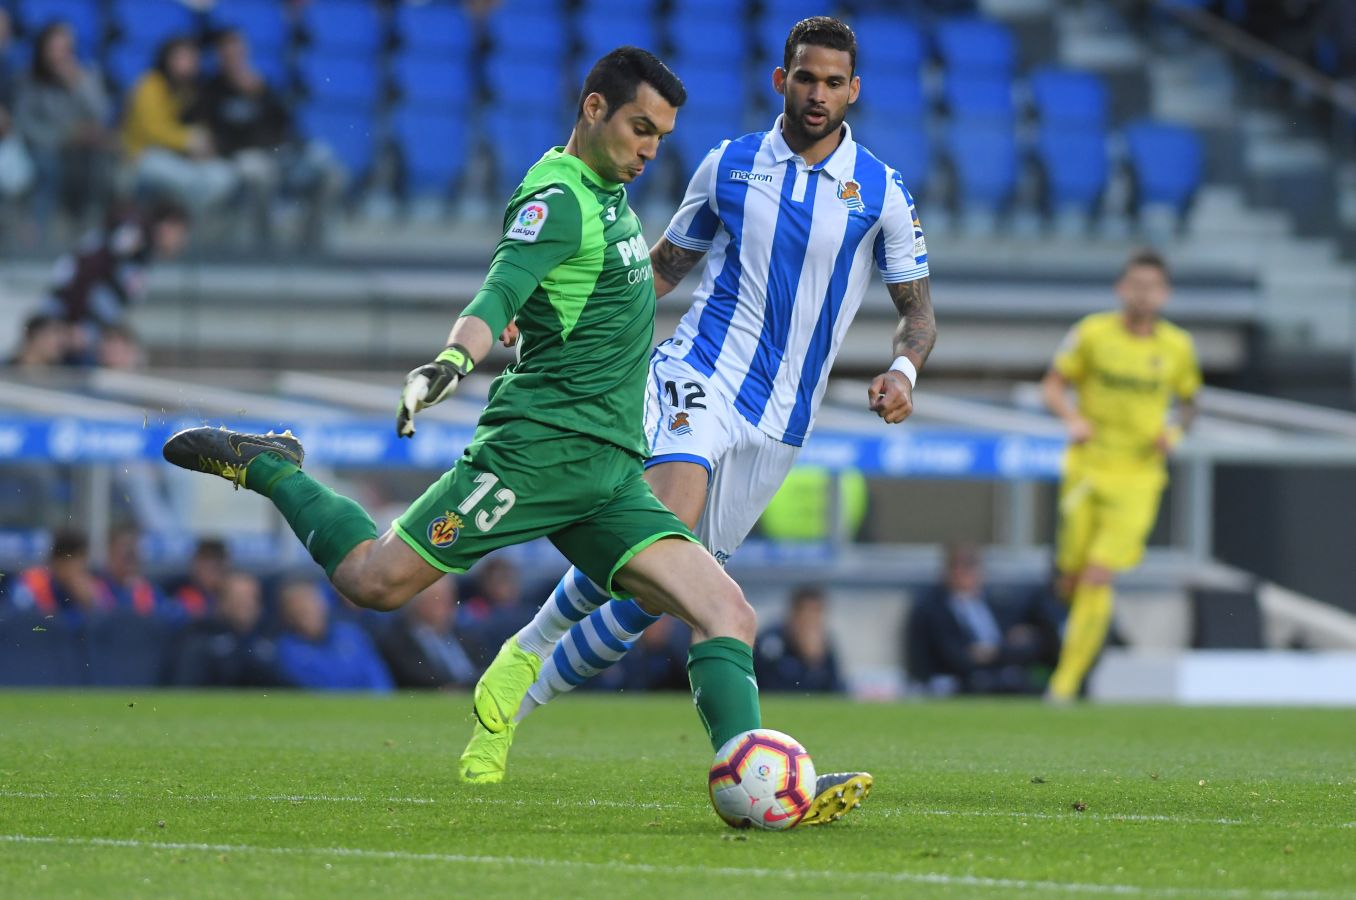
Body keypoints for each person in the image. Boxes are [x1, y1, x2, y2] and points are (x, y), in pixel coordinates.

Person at [161, 47, 788, 819]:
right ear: (594, 109)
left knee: (729, 615)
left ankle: (755, 786)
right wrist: (453, 359)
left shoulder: (610, 195)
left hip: (611, 476)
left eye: (660, 135)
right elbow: (499, 291)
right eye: (639, 128)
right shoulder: (555, 199)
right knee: (372, 582)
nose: (650, 150)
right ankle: (273, 467)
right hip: (534, 456)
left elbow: (564, 300)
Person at [469, 16, 932, 820]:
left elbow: (917, 312)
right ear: (780, 80)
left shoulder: (882, 192)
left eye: (833, 82)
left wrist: (903, 366)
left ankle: (523, 677)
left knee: (657, 591)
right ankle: (752, 769)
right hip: (697, 378)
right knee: (668, 521)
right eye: (804, 77)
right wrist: (551, 318)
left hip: (781, 422)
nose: (817, 93)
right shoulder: (729, 166)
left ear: (852, 90)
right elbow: (656, 273)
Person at [1041, 249, 1201, 702]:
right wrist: (1071, 417)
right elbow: (1053, 384)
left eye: (1152, 286)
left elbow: (1190, 403)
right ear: (1121, 289)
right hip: (1088, 467)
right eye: (1136, 285)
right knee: (1070, 578)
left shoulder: (1178, 347)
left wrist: (1174, 431)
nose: (1143, 294)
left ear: (1164, 294)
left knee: (1097, 574)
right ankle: (1076, 649)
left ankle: (1064, 683)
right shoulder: (1092, 334)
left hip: (1138, 477)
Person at [202, 28, 344, 251]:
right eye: (228, 53)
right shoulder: (210, 91)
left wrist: (258, 94)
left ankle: (312, 244)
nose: (234, 58)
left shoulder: (262, 87)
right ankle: (266, 246)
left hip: (280, 155)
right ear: (219, 56)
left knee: (330, 172)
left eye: (238, 52)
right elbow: (212, 137)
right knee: (260, 172)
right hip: (241, 158)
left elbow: (286, 126)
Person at [42, 200, 190, 362]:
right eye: (180, 233)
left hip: (89, 329)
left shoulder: (143, 253)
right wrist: (73, 323)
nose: (181, 242)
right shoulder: (133, 236)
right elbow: (88, 268)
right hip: (71, 325)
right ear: (167, 225)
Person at [905, 543, 1055, 695]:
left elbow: (1017, 642)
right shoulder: (932, 608)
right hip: (960, 681)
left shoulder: (992, 603)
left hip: (1001, 673)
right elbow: (952, 656)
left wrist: (993, 653)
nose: (966, 574)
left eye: (971, 567)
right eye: (959, 567)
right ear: (948, 571)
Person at [14, 20, 112, 236]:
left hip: (80, 146)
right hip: (42, 145)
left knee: (100, 159)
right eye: (54, 49)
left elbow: (101, 113)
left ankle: (88, 228)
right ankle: (39, 232)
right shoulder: (30, 79)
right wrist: (63, 136)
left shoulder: (87, 75)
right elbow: (24, 124)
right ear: (42, 50)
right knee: (48, 165)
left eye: (65, 49)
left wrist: (78, 83)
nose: (59, 56)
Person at [121, 35, 237, 216]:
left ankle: (187, 221)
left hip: (181, 160)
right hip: (144, 157)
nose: (189, 64)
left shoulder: (192, 90)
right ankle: (184, 220)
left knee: (224, 174)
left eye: (193, 59)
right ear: (167, 59)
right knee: (185, 179)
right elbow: (152, 132)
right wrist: (188, 141)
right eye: (183, 58)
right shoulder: (150, 86)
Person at [274, 578, 394, 692]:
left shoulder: (350, 633)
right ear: (288, 615)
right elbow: (319, 688)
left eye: (313, 606)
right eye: (301, 610)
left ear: (323, 606)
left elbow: (375, 675)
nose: (310, 613)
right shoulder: (287, 650)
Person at [167, 569, 279, 687]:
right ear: (221, 602)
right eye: (238, 598)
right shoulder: (199, 634)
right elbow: (184, 686)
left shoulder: (271, 635)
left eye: (252, 598)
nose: (246, 605)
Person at [376, 576, 477, 689]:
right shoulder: (398, 641)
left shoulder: (465, 636)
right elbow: (414, 678)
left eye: (449, 598)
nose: (446, 605)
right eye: (437, 599)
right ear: (416, 603)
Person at [7, 529, 113, 623]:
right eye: (73, 563)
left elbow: (110, 624)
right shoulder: (31, 584)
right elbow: (20, 624)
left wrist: (90, 604)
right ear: (57, 562)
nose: (79, 571)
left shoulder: (95, 587)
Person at [755, 585, 843, 693]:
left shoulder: (824, 645)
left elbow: (837, 691)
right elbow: (771, 688)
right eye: (807, 612)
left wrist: (815, 664)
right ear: (793, 614)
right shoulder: (770, 642)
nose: (812, 620)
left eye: (818, 612)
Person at [97, 528, 170, 618]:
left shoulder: (149, 590)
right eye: (123, 545)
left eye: (133, 545)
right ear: (110, 554)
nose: (130, 550)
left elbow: (166, 618)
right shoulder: (98, 588)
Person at [167, 537, 229, 618]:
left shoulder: (231, 593)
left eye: (216, 566)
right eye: (205, 564)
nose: (209, 571)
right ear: (195, 564)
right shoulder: (175, 589)